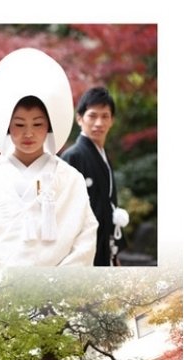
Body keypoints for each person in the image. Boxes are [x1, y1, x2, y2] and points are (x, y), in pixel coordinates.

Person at [0, 48, 98, 267]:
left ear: (49, 126)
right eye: (19, 124)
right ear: (7, 126)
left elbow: (86, 235)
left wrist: (59, 287)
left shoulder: (70, 179)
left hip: (57, 293)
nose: (28, 133)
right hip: (1, 290)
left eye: (37, 124)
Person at [61, 86, 128, 266]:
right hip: (84, 252)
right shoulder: (73, 156)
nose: (99, 123)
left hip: (106, 245)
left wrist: (114, 255)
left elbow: (109, 204)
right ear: (79, 118)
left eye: (105, 116)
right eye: (92, 115)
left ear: (112, 120)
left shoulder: (102, 155)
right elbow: (64, 212)